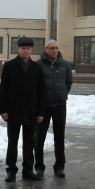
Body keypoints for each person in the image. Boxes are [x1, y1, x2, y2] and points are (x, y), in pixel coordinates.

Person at [0, 36, 44, 182]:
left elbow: (41, 91)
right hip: (13, 111)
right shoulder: (9, 66)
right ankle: (11, 170)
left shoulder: (37, 68)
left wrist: (40, 112)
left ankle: (28, 170)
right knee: (13, 142)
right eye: (23, 48)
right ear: (18, 49)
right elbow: (3, 90)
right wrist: (3, 110)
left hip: (31, 111)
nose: (25, 51)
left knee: (29, 142)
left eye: (28, 48)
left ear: (31, 50)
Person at [35, 39, 72, 178]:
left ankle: (59, 166)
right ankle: (39, 167)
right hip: (43, 107)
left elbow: (68, 82)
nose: (54, 50)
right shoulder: (38, 65)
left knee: (59, 137)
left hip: (59, 106)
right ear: (46, 49)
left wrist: (62, 94)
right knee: (39, 138)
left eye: (56, 48)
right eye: (51, 48)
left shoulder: (65, 65)